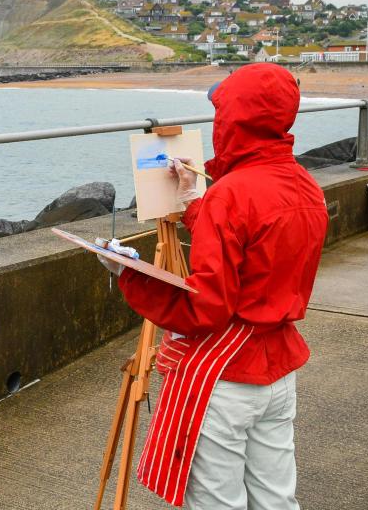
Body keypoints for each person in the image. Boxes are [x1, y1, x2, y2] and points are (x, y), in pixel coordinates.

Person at [100, 63, 328, 509]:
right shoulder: (304, 184)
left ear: (234, 118)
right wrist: (192, 201)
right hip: (278, 366)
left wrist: (129, 276)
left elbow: (204, 309)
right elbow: (254, 247)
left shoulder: (232, 194)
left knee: (217, 502)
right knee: (277, 498)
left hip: (226, 378)